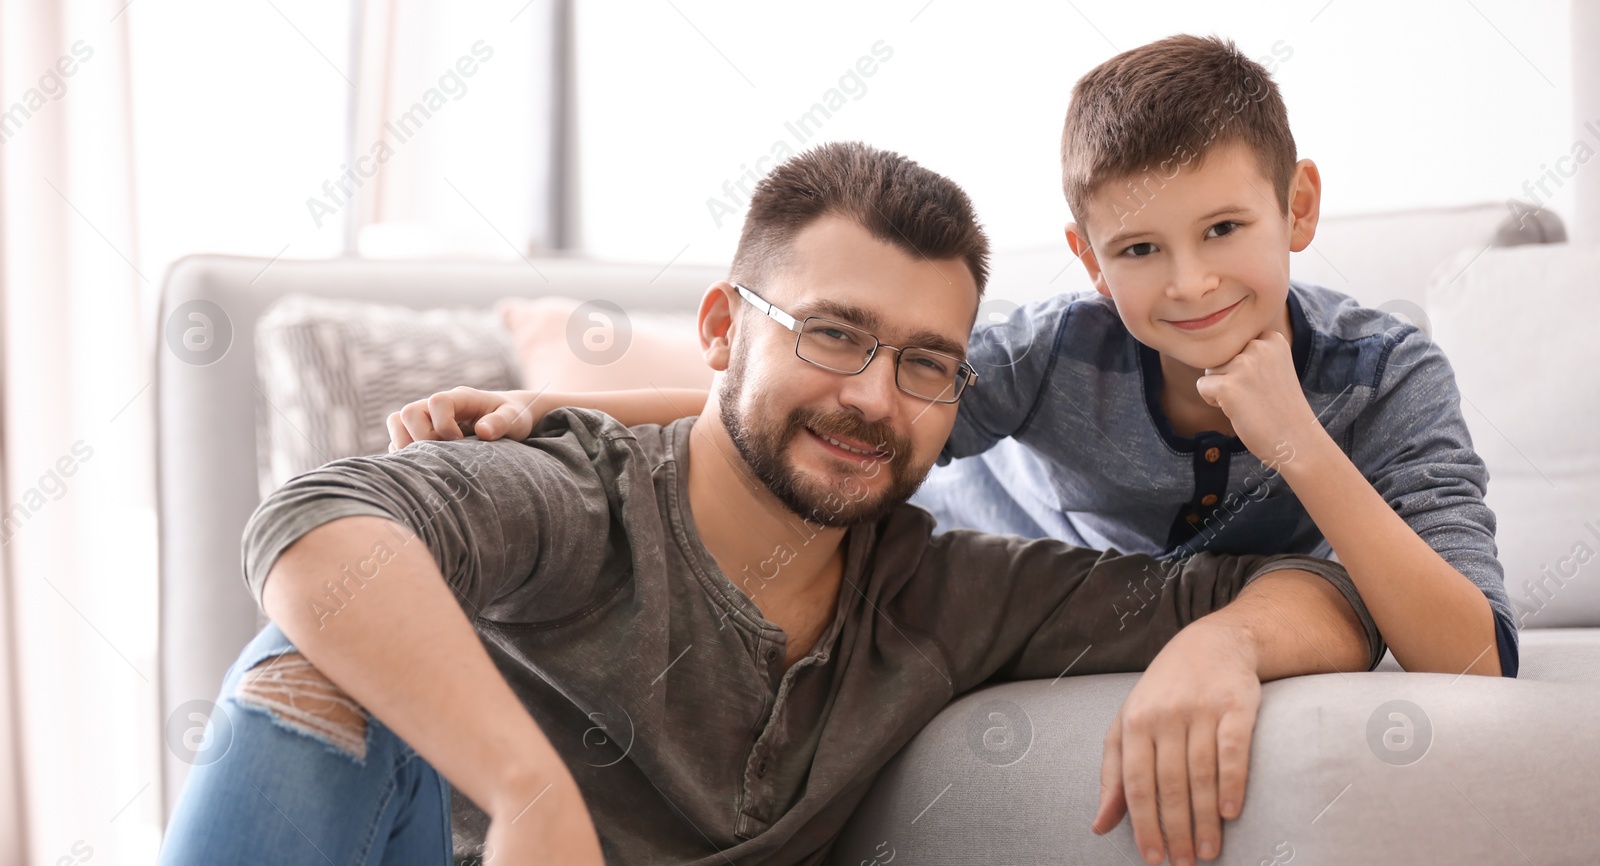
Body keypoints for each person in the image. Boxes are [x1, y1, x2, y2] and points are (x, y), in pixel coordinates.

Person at [103, 142, 1381, 866]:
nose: (874, 398)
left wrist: (1220, 644)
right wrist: (529, 794)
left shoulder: (951, 588)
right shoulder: (581, 493)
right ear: (722, 328)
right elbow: (317, 525)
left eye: (925, 363)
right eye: (832, 334)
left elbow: (1327, 593)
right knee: (315, 664)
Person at [404, 35, 1510, 681]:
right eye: (1139, 248)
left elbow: (1470, 655)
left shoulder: (1386, 372)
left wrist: (1299, 444)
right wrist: (548, 403)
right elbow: (837, 407)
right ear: (1085, 258)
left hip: (1195, 593)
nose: (1188, 284)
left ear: (1297, 207)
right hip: (986, 565)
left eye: (1224, 229)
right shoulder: (1053, 349)